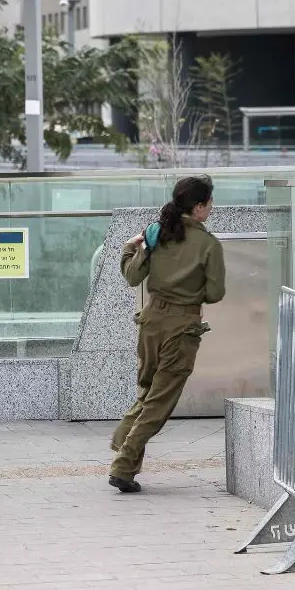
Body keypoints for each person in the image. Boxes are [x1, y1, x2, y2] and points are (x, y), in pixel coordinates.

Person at [109, 175, 226, 493]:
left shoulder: (156, 234)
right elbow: (215, 293)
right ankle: (123, 459)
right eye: (210, 203)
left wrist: (130, 247)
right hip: (182, 329)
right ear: (199, 207)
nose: (212, 208)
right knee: (159, 403)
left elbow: (133, 276)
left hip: (150, 324)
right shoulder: (208, 245)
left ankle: (125, 455)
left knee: (148, 393)